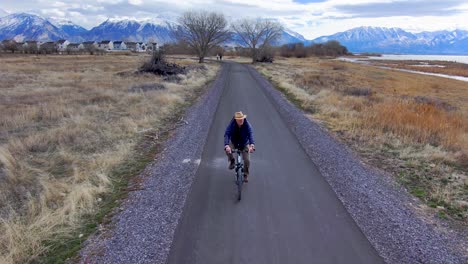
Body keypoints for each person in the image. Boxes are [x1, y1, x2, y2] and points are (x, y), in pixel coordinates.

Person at [224, 111, 255, 182]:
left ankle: (245, 174)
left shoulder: (247, 124)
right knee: (227, 150)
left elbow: (250, 134)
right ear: (236, 120)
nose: (241, 120)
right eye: (239, 119)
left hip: (244, 143)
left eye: (242, 118)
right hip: (234, 142)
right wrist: (227, 145)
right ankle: (232, 161)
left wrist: (252, 145)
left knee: (247, 160)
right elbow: (227, 134)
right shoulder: (232, 125)